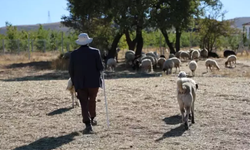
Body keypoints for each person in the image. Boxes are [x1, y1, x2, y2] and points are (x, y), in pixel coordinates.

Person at [69, 33, 104, 133]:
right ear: (88, 41)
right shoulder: (95, 52)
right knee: (92, 99)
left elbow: (71, 70)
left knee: (83, 102)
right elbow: (100, 67)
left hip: (80, 82)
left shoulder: (74, 54)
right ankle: (92, 118)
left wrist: (74, 81)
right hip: (93, 81)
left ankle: (87, 123)